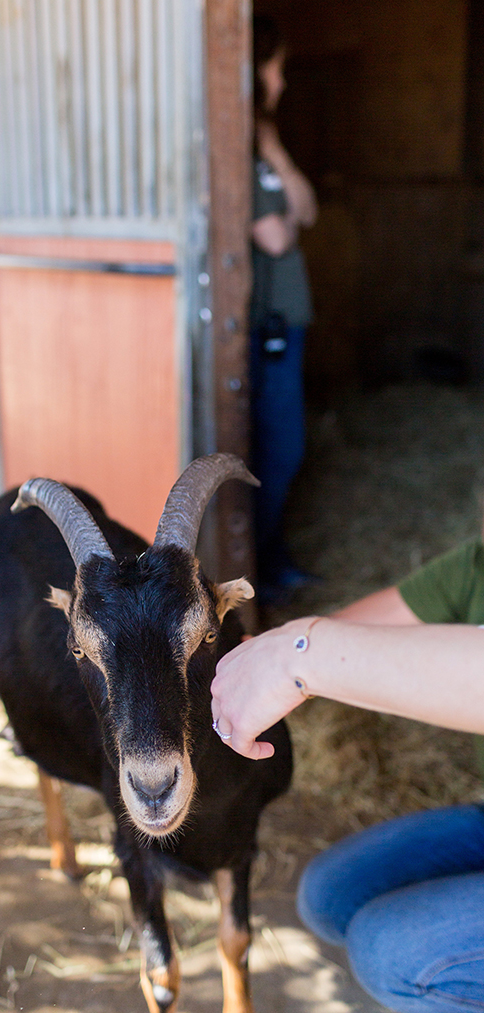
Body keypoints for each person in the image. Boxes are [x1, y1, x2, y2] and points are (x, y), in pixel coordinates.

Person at [211, 536, 484, 1013]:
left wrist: (300, 657)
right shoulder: (478, 562)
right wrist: (259, 654)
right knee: (331, 893)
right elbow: (365, 627)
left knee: (394, 953)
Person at [250, 15, 318, 596]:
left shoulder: (265, 148)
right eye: (276, 69)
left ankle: (271, 560)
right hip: (260, 328)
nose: (282, 81)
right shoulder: (234, 155)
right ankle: (259, 567)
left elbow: (307, 210)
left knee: (281, 447)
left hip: (286, 325)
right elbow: (275, 237)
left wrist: (275, 151)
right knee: (278, 446)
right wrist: (288, 219)